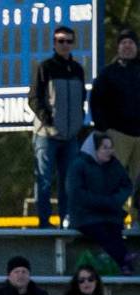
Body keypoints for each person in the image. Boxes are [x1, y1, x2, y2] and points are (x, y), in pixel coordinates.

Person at [28, 25, 87, 228]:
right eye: (61, 41)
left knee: (68, 182)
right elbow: (34, 98)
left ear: (73, 44)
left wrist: (78, 121)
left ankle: (66, 221)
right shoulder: (45, 67)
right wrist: (48, 120)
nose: (65, 44)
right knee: (44, 180)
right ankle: (43, 223)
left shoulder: (78, 69)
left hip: (70, 136)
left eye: (69, 41)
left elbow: (81, 99)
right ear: (54, 43)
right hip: (47, 135)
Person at [67, 131, 133, 271]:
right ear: (94, 149)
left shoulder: (114, 165)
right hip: (85, 215)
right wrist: (104, 202)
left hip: (109, 213)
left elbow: (126, 185)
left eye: (111, 147)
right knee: (102, 232)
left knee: (114, 229)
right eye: (105, 147)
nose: (110, 151)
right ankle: (124, 259)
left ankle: (125, 263)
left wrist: (115, 200)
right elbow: (77, 194)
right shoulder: (79, 165)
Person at [90, 28, 140, 214]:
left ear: (136, 47)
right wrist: (104, 130)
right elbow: (95, 102)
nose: (127, 46)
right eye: (123, 43)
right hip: (117, 135)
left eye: (131, 43)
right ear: (118, 47)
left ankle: (137, 225)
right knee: (113, 180)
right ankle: (111, 220)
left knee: (139, 184)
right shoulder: (108, 73)